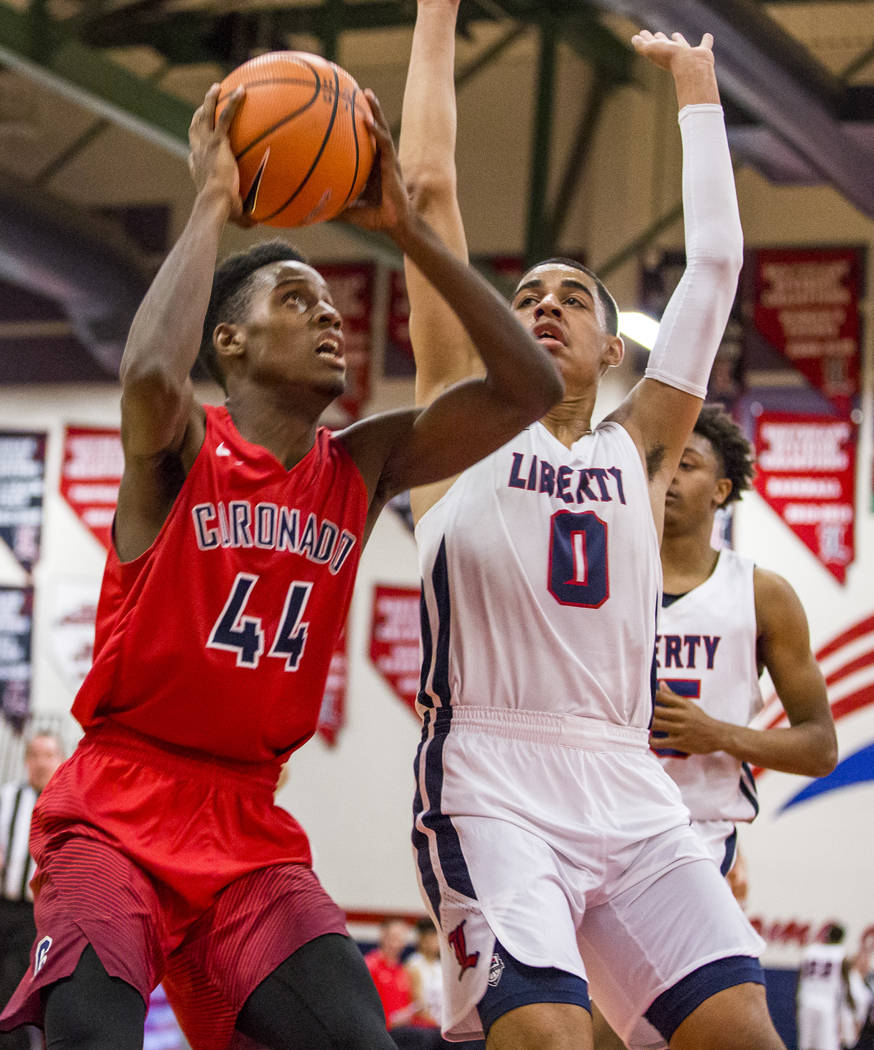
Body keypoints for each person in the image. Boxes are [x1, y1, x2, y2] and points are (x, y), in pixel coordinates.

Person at [0, 81, 562, 1050]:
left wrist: (407, 232)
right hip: (117, 806)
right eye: (296, 301)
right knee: (93, 1038)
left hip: (248, 826)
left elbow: (530, 387)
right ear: (231, 341)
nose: (331, 317)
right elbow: (145, 374)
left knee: (359, 1041)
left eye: (333, 301)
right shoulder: (180, 449)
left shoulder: (361, 462)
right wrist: (214, 198)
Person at [399, 4, 784, 1048]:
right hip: (491, 771)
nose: (546, 304)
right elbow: (428, 194)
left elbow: (712, 271)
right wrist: (436, 13)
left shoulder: (641, 448)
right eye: (525, 294)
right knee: (551, 1040)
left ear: (616, 350)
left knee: (744, 1030)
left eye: (573, 297)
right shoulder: (458, 427)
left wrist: (697, 99)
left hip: (625, 777)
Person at [652, 403, 837, 874]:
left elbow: (820, 748)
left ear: (721, 490)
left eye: (686, 463)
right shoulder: (602, 581)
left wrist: (718, 735)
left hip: (698, 831)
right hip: (597, 822)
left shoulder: (762, 593)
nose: (668, 473)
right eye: (660, 459)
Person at [0, 732, 63, 1050]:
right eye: (35, 756)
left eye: (48, 755)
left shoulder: (65, 806)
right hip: (3, 904)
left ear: (60, 761)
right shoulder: (8, 796)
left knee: (11, 990)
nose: (40, 763)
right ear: (26, 761)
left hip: (37, 915)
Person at [797, 925, 854, 1050]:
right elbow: (847, 987)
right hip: (826, 1005)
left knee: (806, 1046)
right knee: (827, 1046)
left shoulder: (810, 951)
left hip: (806, 1002)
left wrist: (797, 1006)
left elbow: (799, 981)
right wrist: (851, 1008)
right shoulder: (841, 955)